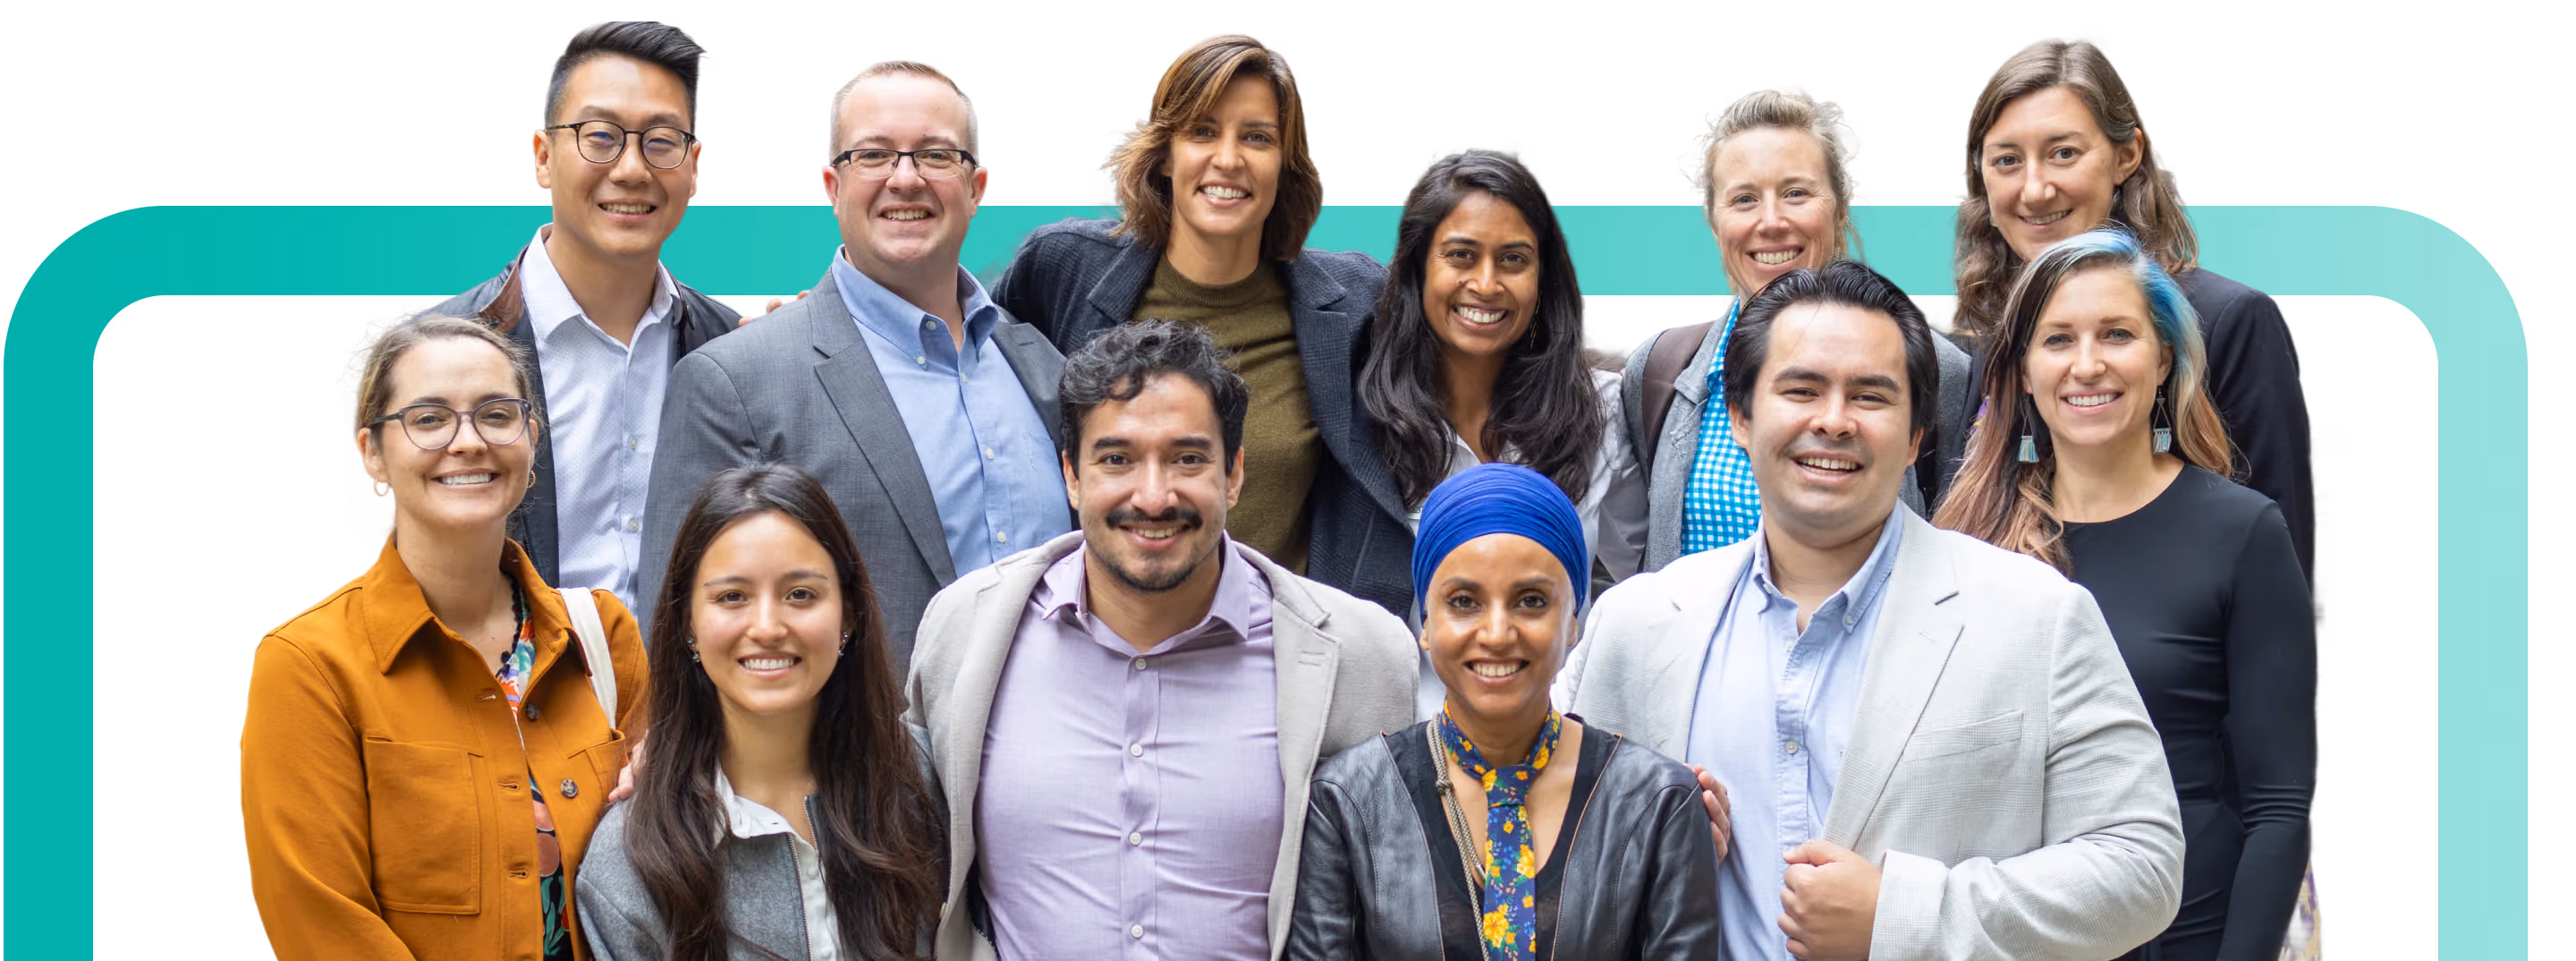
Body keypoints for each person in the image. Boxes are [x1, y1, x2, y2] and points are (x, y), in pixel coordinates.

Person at [1558, 260, 2184, 961]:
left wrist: (1902, 915)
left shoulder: (2039, 617)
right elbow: (1522, 823)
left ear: (1918, 434)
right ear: (1739, 416)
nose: (1833, 421)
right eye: (1801, 389)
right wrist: (1641, 851)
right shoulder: (1638, 625)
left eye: (1871, 397)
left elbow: (2142, 865)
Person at [902, 319, 1418, 960]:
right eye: (1117, 459)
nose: (1153, 495)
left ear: (1233, 475)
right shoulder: (966, 632)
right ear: (1071, 474)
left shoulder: (1361, 655)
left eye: (1187, 458)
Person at [1934, 229, 2318, 961]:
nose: (2087, 364)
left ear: (2164, 357)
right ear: (2022, 368)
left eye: (2117, 334)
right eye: (2057, 340)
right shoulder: (1963, 541)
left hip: (2185, 933)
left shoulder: (2242, 533)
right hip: (2008, 932)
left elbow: (2279, 807)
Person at [641, 59, 1068, 675]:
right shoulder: (732, 384)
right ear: (831, 187)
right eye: (872, 155)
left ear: (976, 188)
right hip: (846, 768)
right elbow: (681, 632)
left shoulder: (1044, 368)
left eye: (935, 155)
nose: (905, 179)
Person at [247, 312, 649, 961]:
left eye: (496, 414)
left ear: (531, 438)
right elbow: (320, 921)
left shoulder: (601, 636)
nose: (469, 442)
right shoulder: (309, 666)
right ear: (370, 449)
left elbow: (670, 869)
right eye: (429, 419)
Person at [991, 31, 1413, 617]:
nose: (1228, 159)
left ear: (1285, 165)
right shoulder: (1063, 267)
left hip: (1273, 658)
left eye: (1257, 137)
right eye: (1203, 132)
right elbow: (961, 366)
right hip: (1095, 639)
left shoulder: (1354, 302)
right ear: (1166, 153)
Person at [1948, 31, 2322, 634]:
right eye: (2007, 160)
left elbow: (2281, 594)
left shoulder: (2230, 321)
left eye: (2064, 153)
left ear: (2126, 156)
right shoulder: (1992, 334)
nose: (2035, 188)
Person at [1286, 463, 1721, 960]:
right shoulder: (1349, 800)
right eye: (1464, 601)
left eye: (1531, 601)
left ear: (1573, 621)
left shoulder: (1658, 803)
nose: (1496, 634)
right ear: (1426, 624)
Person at [419, 21, 742, 613]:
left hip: (686, 703)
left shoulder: (737, 350)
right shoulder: (437, 350)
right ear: (543, 156)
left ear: (694, 167)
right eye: (600, 137)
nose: (631, 169)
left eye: (662, 141)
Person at [578, 463, 945, 960]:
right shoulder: (629, 864)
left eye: (801, 594)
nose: (768, 626)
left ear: (849, 615)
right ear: (689, 623)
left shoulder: (928, 786)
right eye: (733, 597)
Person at [1623, 85, 1973, 574]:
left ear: (1840, 206)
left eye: (1795, 193)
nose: (1771, 222)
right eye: (1744, 199)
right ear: (1713, 220)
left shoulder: (1943, 370)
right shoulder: (1659, 373)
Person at [1355, 144, 1647, 719]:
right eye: (1461, 256)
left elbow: (1646, 588)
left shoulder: (1602, 409)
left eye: (1513, 260)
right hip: (1405, 752)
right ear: (1418, 268)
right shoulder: (1362, 412)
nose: (1486, 284)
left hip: (1559, 750)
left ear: (1543, 274)